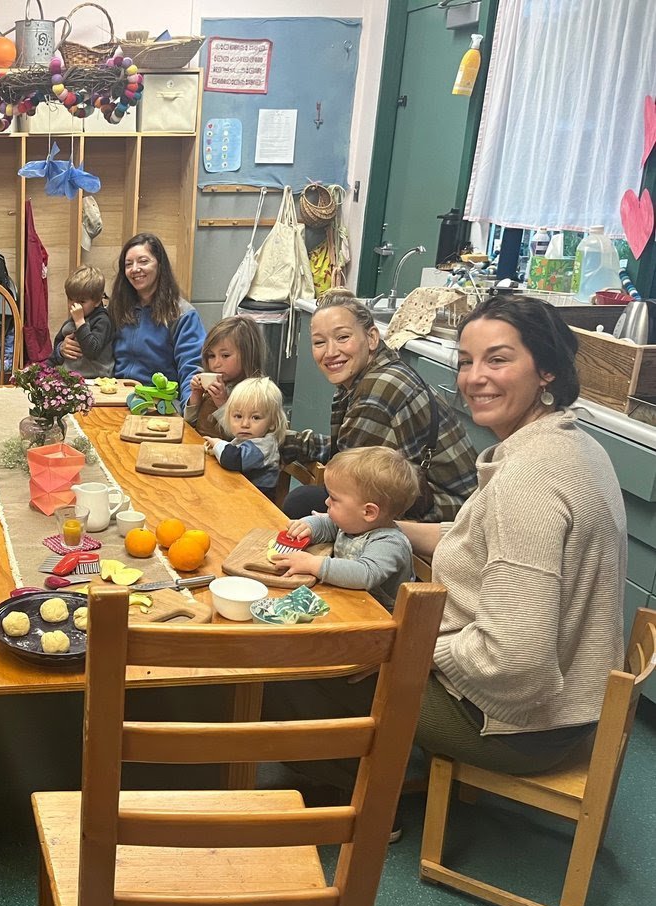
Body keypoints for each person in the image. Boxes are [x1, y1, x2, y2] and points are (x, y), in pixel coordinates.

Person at [266, 295, 627, 796]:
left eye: (498, 359)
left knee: (299, 659)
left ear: (546, 369)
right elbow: (470, 538)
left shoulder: (529, 482)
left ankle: (360, 802)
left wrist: (399, 651)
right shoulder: (569, 444)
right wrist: (385, 528)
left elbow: (513, 657)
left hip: (516, 723)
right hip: (568, 701)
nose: (474, 376)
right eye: (465, 361)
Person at [281, 292, 477, 522]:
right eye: (319, 342)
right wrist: (286, 441)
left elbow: (348, 477)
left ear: (372, 338)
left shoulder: (379, 388)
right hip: (439, 497)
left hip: (451, 513)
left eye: (343, 337)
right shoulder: (376, 373)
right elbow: (351, 451)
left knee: (302, 503)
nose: (331, 351)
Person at [273, 446, 417, 610]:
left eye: (334, 498)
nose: (326, 502)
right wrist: (308, 526)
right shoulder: (354, 524)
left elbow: (365, 574)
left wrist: (313, 564)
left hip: (377, 619)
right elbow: (328, 524)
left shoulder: (389, 543)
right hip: (347, 601)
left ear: (368, 512)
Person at [61, 233, 203, 397]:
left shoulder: (183, 315)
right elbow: (89, 343)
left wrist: (189, 410)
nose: (135, 269)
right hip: (114, 396)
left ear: (159, 264)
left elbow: (191, 369)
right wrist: (62, 349)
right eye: (129, 264)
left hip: (159, 401)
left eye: (143, 261)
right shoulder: (115, 309)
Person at [185, 315, 266, 438]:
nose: (216, 364)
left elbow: (240, 437)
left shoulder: (254, 393)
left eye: (225, 355)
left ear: (248, 355)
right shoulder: (214, 383)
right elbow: (189, 424)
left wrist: (222, 404)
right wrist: (195, 395)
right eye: (211, 356)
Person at [202, 377, 286, 496]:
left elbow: (232, 459)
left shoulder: (264, 446)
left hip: (257, 503)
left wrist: (217, 444)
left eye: (255, 418)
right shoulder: (247, 438)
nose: (245, 424)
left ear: (272, 423)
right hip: (239, 492)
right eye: (238, 416)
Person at [47, 265, 114, 378]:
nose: (74, 305)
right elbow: (56, 351)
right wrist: (59, 352)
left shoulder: (102, 320)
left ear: (97, 301)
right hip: (69, 377)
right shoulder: (70, 322)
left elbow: (92, 350)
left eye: (82, 301)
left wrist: (80, 323)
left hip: (95, 379)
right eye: (70, 299)